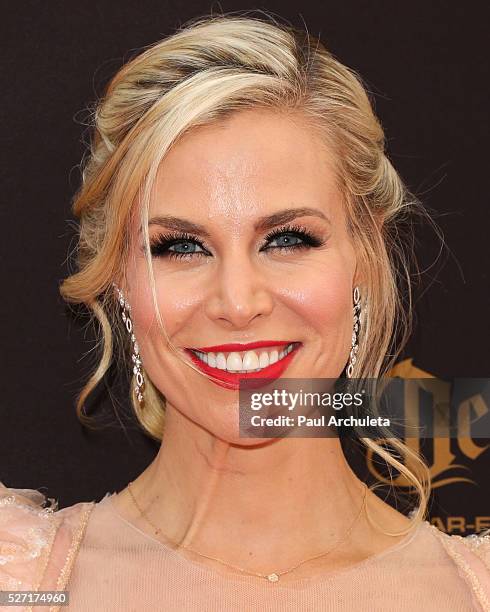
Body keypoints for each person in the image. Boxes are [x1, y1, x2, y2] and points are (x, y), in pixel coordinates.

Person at [0, 12, 488, 612]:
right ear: (117, 280)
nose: (238, 303)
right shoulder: (22, 582)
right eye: (180, 247)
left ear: (364, 255)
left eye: (288, 240)